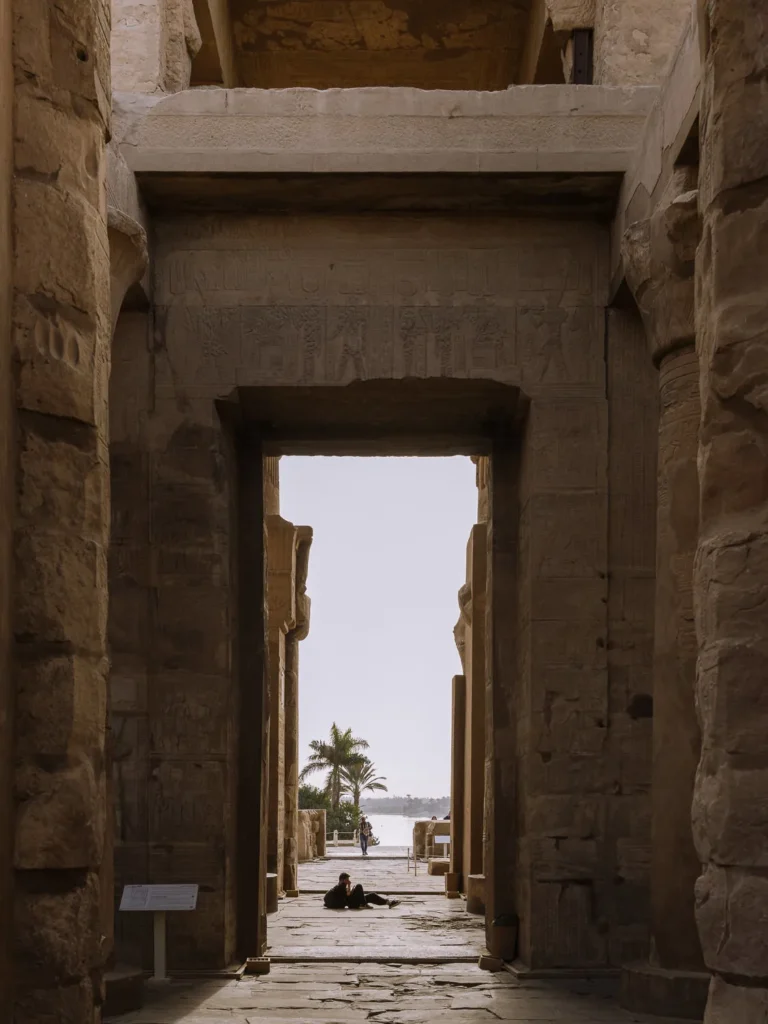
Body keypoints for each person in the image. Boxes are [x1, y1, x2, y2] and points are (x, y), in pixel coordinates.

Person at [323, 872, 401, 910]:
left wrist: (351, 889)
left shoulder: (340, 887)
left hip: (353, 902)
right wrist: (350, 886)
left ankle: (389, 903)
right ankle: (363, 904)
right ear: (342, 880)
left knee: (372, 895)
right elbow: (348, 895)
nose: (348, 881)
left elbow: (347, 894)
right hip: (352, 904)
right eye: (347, 879)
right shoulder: (340, 886)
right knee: (359, 886)